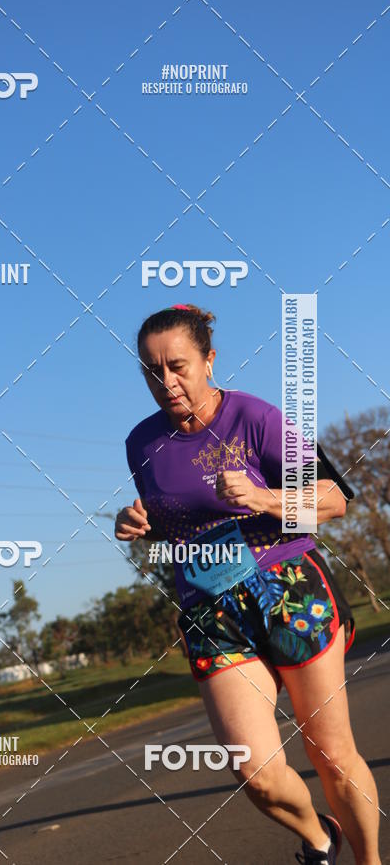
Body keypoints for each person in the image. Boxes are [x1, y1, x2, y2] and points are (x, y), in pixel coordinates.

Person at [115, 304, 381, 865]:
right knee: (254, 771)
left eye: (178, 366)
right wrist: (140, 525)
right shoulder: (142, 444)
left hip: (289, 591)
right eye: (151, 371)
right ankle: (318, 836)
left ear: (209, 360)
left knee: (331, 754)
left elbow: (334, 498)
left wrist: (267, 498)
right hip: (211, 608)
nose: (166, 382)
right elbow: (180, 519)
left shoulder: (253, 417)